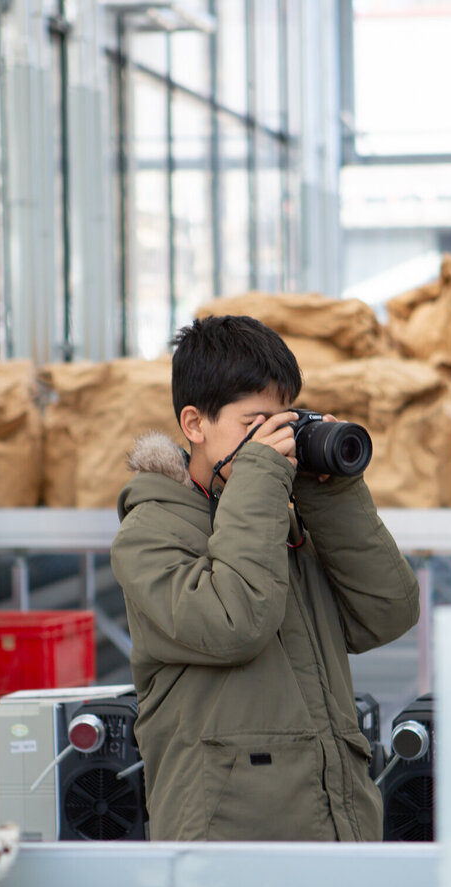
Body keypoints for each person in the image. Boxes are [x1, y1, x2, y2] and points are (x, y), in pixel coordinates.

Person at [109, 314, 420, 841]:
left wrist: (331, 495)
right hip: (227, 838)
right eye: (255, 423)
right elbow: (234, 622)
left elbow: (387, 612)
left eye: (286, 421)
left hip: (335, 818)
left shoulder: (284, 521)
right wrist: (260, 475)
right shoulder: (149, 534)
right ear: (195, 424)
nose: (276, 438)